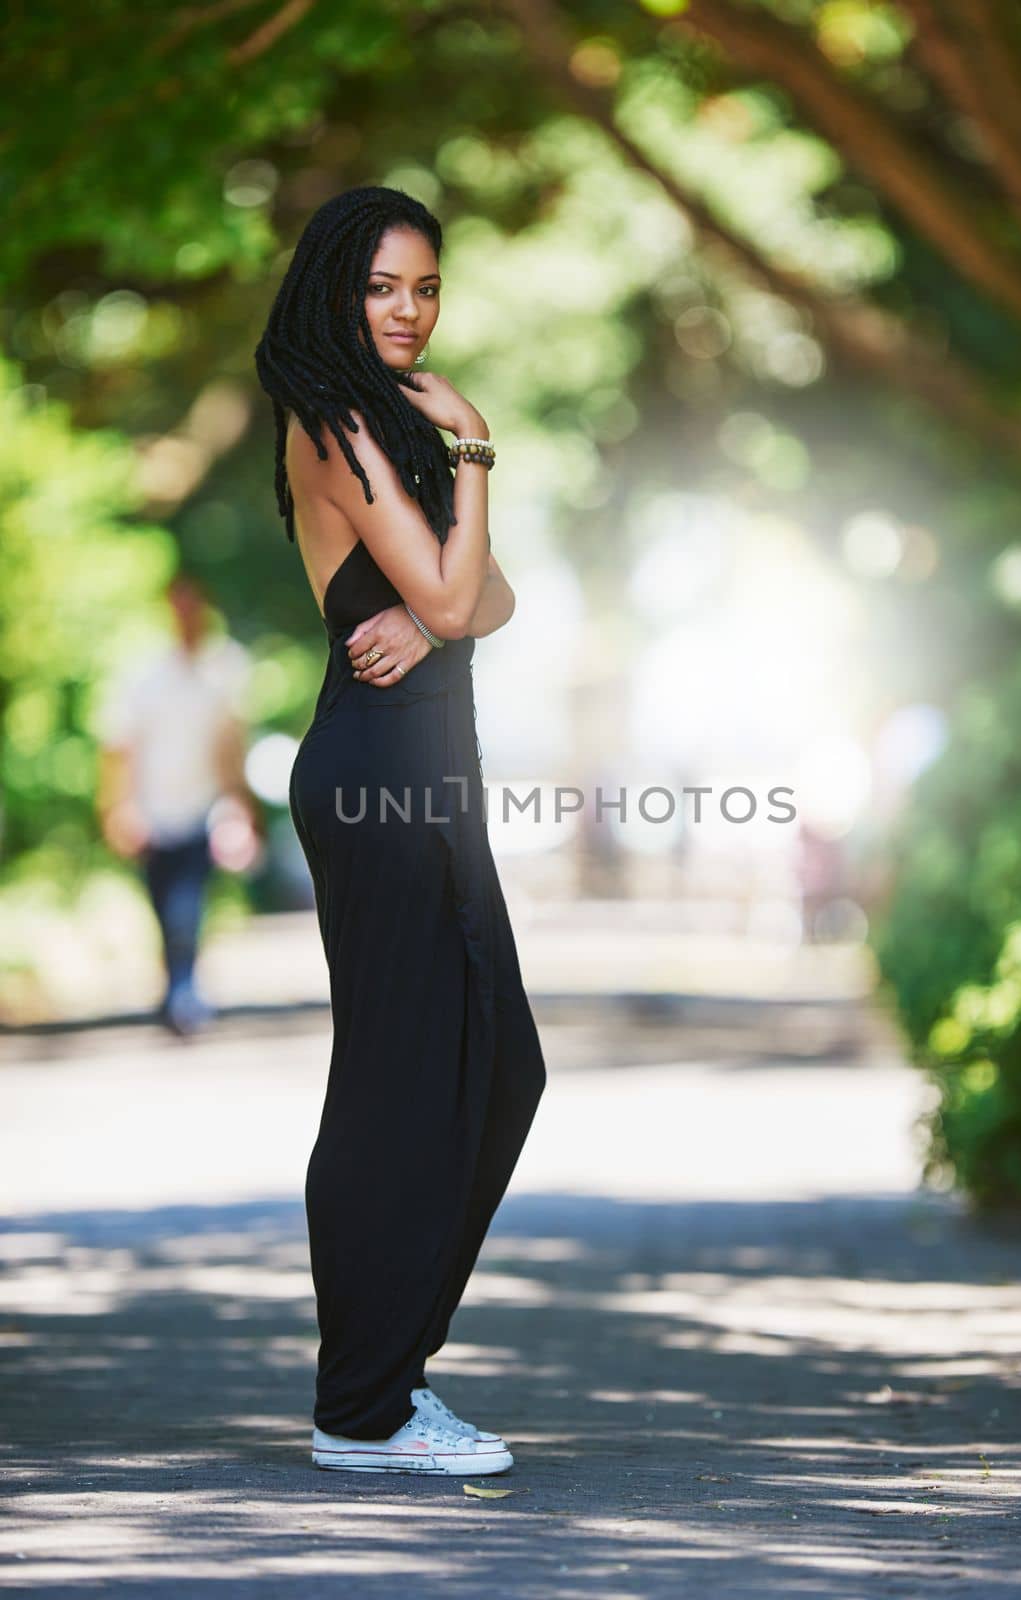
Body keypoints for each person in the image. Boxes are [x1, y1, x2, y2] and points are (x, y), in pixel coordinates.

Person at [254, 186, 547, 1476]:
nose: (409, 312)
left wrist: (436, 615)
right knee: (394, 1083)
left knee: (501, 1069)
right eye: (383, 287)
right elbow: (454, 578)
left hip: (434, 774)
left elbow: (494, 595)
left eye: (425, 288)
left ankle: (387, 1371)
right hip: (377, 776)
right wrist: (477, 453)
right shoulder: (337, 424)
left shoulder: (395, 423)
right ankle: (363, 1405)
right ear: (336, 288)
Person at [96, 571, 255, 1036]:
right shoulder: (143, 675)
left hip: (203, 810)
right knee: (164, 908)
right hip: (152, 814)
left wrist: (238, 810)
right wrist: (118, 809)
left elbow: (232, 748)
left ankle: (184, 995)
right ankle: (174, 988)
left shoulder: (225, 669)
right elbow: (118, 749)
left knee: (188, 907)